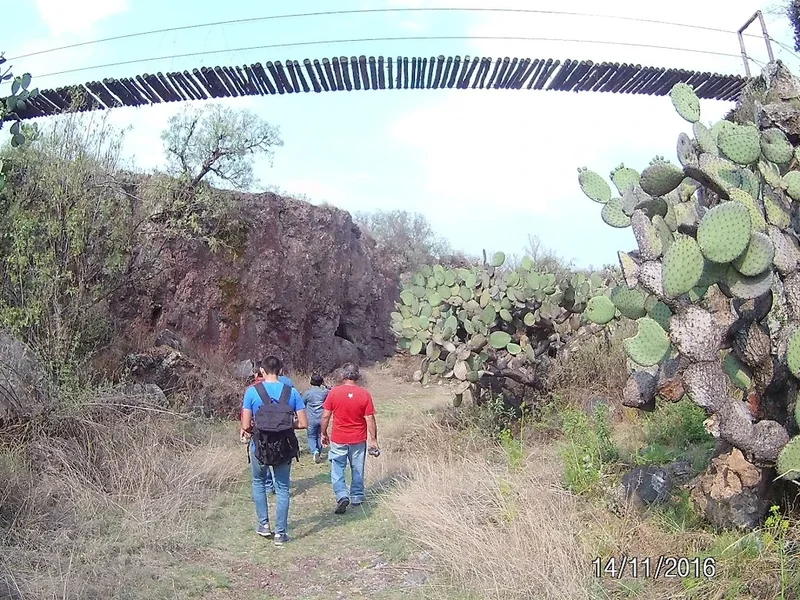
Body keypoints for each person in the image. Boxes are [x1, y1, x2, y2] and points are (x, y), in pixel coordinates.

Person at [240, 355, 307, 545]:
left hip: (260, 445)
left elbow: (246, 425)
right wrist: (285, 424)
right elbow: (303, 423)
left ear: (261, 371)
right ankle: (280, 533)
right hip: (284, 445)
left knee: (259, 482)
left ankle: (263, 525)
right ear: (281, 370)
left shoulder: (252, 392)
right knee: (283, 488)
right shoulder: (291, 392)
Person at [321, 363, 379, 515]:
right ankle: (357, 496)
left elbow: (326, 415)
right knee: (357, 468)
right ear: (357, 376)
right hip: (358, 438)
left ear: (342, 375)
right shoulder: (364, 394)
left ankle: (341, 494)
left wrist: (323, 433)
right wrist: (373, 439)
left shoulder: (334, 393)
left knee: (337, 468)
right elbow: (370, 419)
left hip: (339, 437)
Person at [301, 374, 329, 463]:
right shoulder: (325, 392)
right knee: (320, 435)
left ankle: (314, 451)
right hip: (322, 418)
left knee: (311, 436)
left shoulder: (307, 393)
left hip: (311, 418)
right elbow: (332, 392)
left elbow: (302, 404)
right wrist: (325, 385)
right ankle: (319, 453)